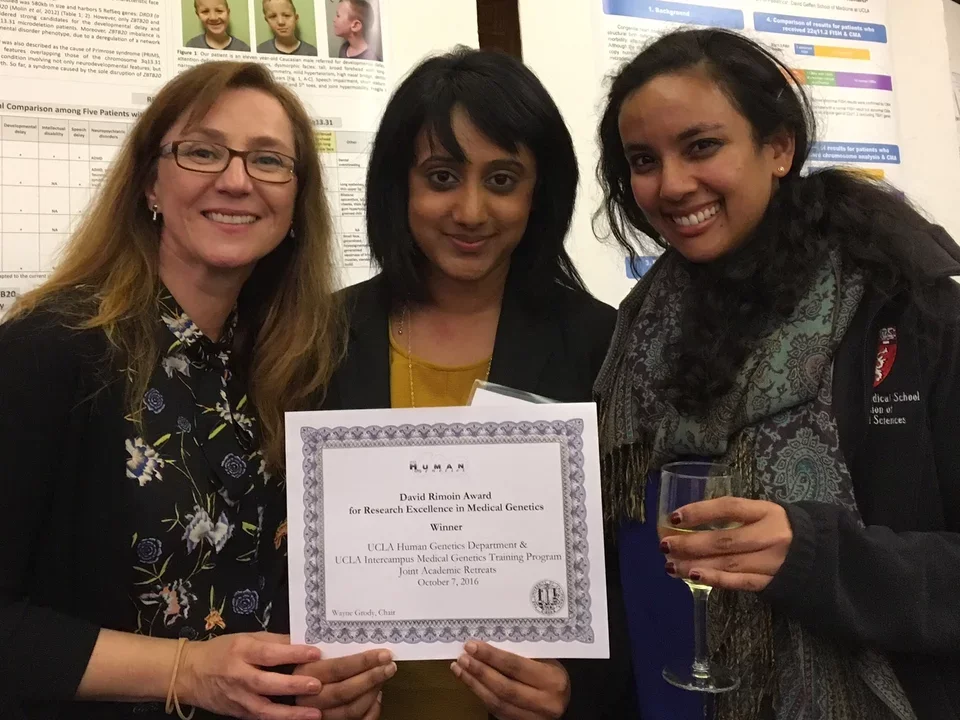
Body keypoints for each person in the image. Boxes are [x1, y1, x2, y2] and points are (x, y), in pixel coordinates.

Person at [0, 60, 396, 720]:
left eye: (269, 161)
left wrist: (316, 685)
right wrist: (186, 672)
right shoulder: (48, 350)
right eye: (203, 152)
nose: (236, 179)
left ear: (296, 201)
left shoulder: (293, 363)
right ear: (150, 182)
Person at [595, 27, 960, 720]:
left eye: (701, 146)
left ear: (779, 147)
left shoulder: (910, 309)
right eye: (644, 160)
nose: (671, 185)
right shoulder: (635, 330)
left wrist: (822, 558)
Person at [306, 47, 637, 720]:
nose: (470, 210)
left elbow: (627, 573)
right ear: (399, 187)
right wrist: (315, 680)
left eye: (503, 179)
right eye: (441, 175)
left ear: (539, 192)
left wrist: (576, 695)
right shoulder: (322, 337)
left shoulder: (598, 344)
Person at [185, 0, 250, 52]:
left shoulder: (243, 49)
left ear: (228, 13)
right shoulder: (192, 47)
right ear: (198, 15)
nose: (213, 17)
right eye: (205, 11)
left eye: (219, 11)